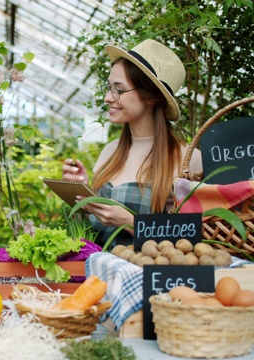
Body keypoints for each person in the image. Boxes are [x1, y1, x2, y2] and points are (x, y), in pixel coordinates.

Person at [62, 39, 202, 246]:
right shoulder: (110, 152)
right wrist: (80, 192)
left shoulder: (187, 158)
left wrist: (130, 222)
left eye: (119, 89)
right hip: (98, 275)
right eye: (109, 87)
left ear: (150, 96)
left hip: (149, 275)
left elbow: (195, 237)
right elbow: (88, 234)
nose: (107, 97)